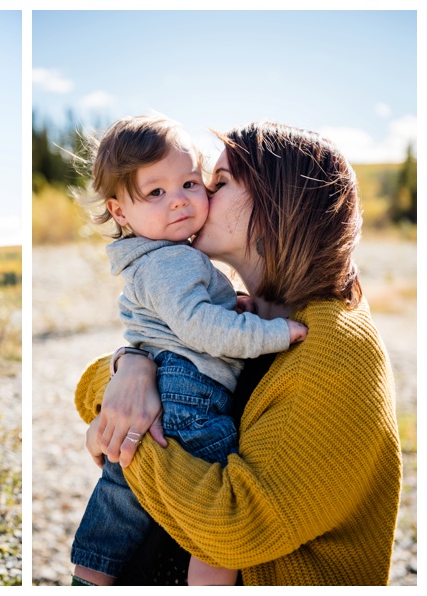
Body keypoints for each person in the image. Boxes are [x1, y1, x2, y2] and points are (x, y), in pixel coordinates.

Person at [75, 121, 401, 585]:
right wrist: (130, 367)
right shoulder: (255, 317)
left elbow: (235, 526)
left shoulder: (334, 348)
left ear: (275, 205)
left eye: (217, 182)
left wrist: (123, 441)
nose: (197, 194)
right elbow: (108, 375)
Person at [69, 116, 307, 586]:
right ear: (120, 212)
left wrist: (228, 305)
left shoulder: (154, 258)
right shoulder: (173, 261)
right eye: (154, 193)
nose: (178, 199)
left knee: (120, 498)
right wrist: (276, 332)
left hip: (172, 383)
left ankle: (89, 576)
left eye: (190, 183)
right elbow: (202, 329)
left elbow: (182, 318)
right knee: (221, 522)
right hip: (190, 395)